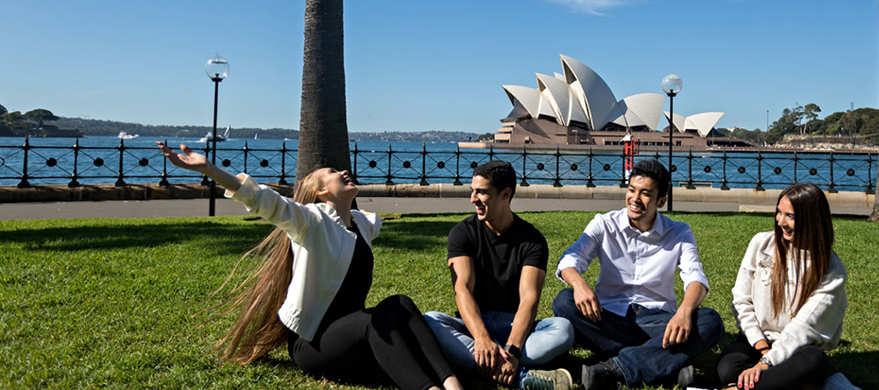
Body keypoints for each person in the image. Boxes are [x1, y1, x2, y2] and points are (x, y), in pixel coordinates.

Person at [157, 142, 463, 390]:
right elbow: (263, 200)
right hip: (314, 345)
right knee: (374, 319)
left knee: (400, 303)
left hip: (352, 336)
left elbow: (370, 219)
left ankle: (452, 385)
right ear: (320, 192)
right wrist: (209, 169)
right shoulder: (311, 222)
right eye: (332, 172)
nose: (343, 170)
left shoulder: (361, 224)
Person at [551, 159, 725, 390]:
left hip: (658, 320)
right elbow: (570, 260)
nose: (634, 199)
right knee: (564, 302)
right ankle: (663, 362)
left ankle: (617, 366)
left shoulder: (679, 232)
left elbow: (696, 277)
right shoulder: (604, 223)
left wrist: (684, 312)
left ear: (661, 201)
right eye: (631, 190)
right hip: (607, 316)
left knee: (709, 321)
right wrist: (580, 284)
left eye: (645, 194)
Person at [423, 160, 574, 390]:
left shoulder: (532, 240)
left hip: (513, 327)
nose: (473, 199)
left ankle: (488, 364)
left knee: (563, 329)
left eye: (482, 193)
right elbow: (462, 288)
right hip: (473, 327)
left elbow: (529, 299)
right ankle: (520, 377)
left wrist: (513, 350)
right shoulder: (462, 233)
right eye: (472, 191)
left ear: (505, 195)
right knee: (430, 320)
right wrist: (482, 338)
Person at [716, 183, 848, 390]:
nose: (781, 222)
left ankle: (737, 389)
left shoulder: (831, 269)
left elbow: (804, 326)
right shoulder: (761, 243)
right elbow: (741, 299)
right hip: (757, 340)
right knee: (728, 368)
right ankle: (789, 384)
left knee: (814, 361)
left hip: (798, 348)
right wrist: (762, 349)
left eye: (790, 216)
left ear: (813, 220)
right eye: (779, 212)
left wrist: (767, 363)